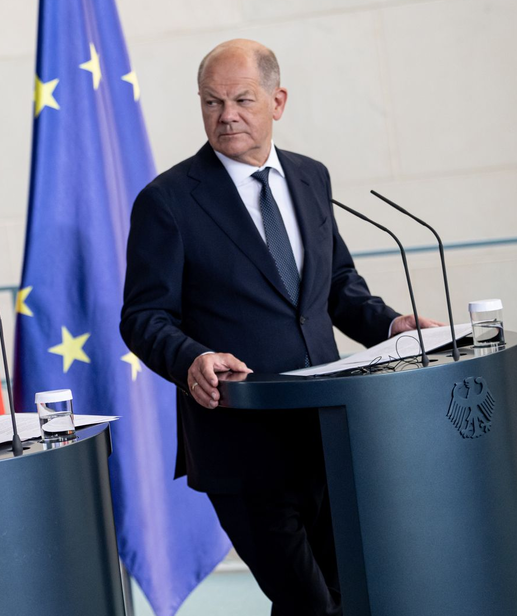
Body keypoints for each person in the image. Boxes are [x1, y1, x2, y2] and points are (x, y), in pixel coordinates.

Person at [120, 39, 441, 615]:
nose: (227, 116)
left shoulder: (311, 178)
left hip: (330, 433)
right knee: (310, 604)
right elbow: (143, 317)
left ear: (278, 100)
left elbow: (337, 285)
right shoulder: (167, 201)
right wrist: (190, 357)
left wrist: (391, 325)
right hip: (241, 440)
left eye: (242, 99)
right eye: (212, 103)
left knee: (342, 598)